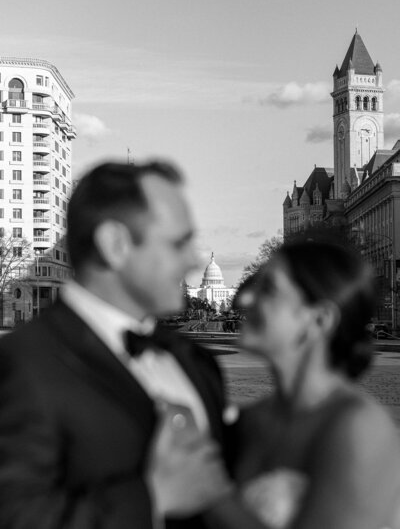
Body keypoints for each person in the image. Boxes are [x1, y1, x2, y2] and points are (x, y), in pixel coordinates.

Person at [0, 161, 231, 529]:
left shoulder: (194, 360)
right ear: (115, 244)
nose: (195, 260)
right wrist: (152, 498)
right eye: (178, 243)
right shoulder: (20, 366)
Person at [149, 239, 400, 529]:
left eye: (268, 290)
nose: (241, 301)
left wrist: (211, 495)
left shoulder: (358, 427)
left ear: (319, 319)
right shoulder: (248, 420)